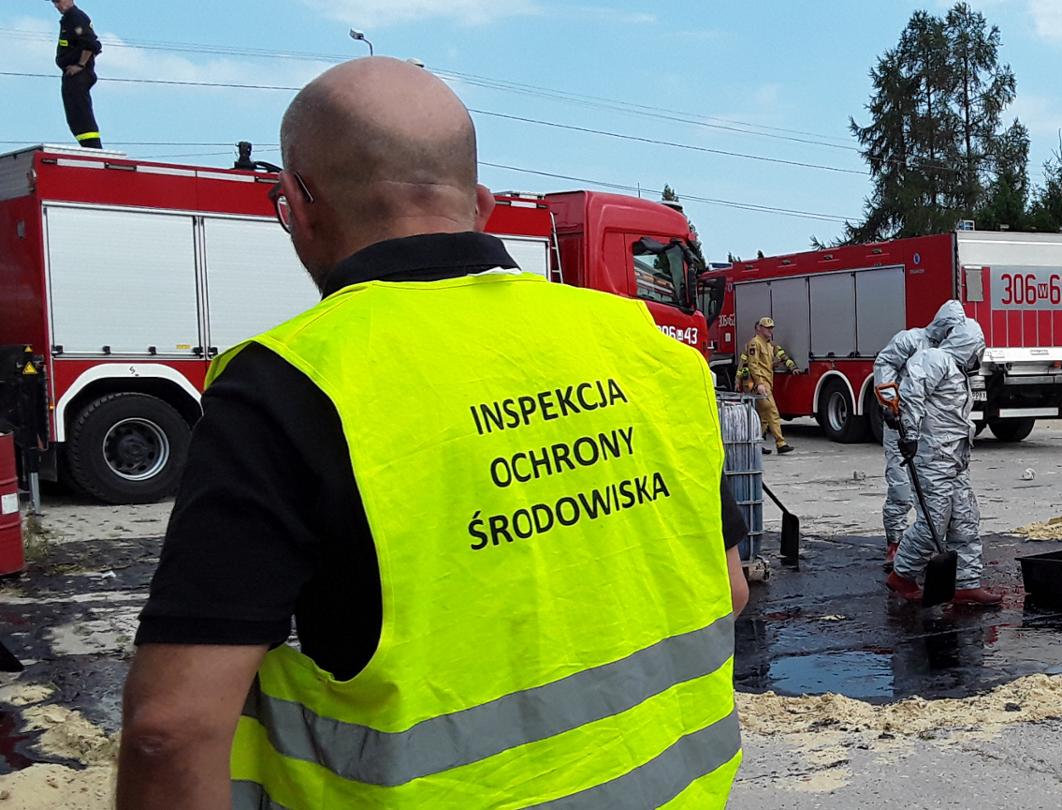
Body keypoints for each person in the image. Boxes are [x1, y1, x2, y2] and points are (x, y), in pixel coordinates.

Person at [118, 58, 747, 809]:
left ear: (298, 204)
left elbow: (172, 730)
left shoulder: (288, 383)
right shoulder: (643, 347)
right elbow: (729, 589)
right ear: (480, 204)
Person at [886, 317, 1003, 606]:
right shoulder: (934, 359)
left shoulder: (956, 370)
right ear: (969, 344)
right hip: (933, 458)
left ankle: (966, 583)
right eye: (978, 347)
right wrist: (909, 434)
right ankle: (903, 575)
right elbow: (912, 395)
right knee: (933, 523)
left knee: (965, 519)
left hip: (954, 459)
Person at [873, 301, 967, 569]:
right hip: (901, 425)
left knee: (933, 493)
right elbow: (885, 364)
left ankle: (925, 544)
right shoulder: (911, 340)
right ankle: (895, 542)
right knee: (901, 487)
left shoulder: (952, 354)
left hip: (932, 433)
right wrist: (890, 404)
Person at [741, 315, 797, 455]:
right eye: (767, 328)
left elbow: (764, 364)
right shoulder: (755, 343)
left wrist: (775, 364)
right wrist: (759, 384)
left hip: (767, 383)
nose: (770, 331)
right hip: (761, 384)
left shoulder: (768, 345)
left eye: (771, 328)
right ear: (759, 328)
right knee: (772, 412)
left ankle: (756, 444)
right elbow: (753, 366)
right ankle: (780, 443)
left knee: (764, 417)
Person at [52, 0, 103, 149]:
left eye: (58, 1)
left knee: (80, 114)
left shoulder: (76, 17)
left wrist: (81, 65)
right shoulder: (69, 19)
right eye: (54, 3)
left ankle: (93, 149)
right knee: (74, 116)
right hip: (72, 75)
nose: (57, 6)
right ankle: (88, 148)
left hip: (78, 76)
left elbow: (91, 44)